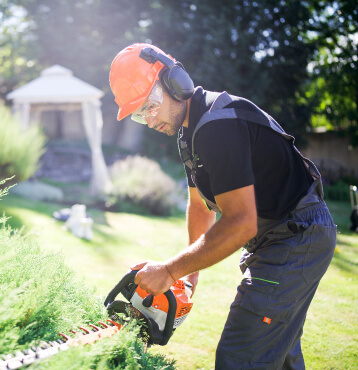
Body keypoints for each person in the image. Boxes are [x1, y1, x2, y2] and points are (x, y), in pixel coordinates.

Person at [109, 43, 337, 369]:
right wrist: (190, 276)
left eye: (150, 105)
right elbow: (200, 207)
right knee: (278, 352)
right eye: (138, 114)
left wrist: (171, 270)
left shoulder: (218, 126)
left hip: (297, 235)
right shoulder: (190, 132)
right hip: (280, 236)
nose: (148, 120)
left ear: (176, 82)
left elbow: (240, 223)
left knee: (240, 357)